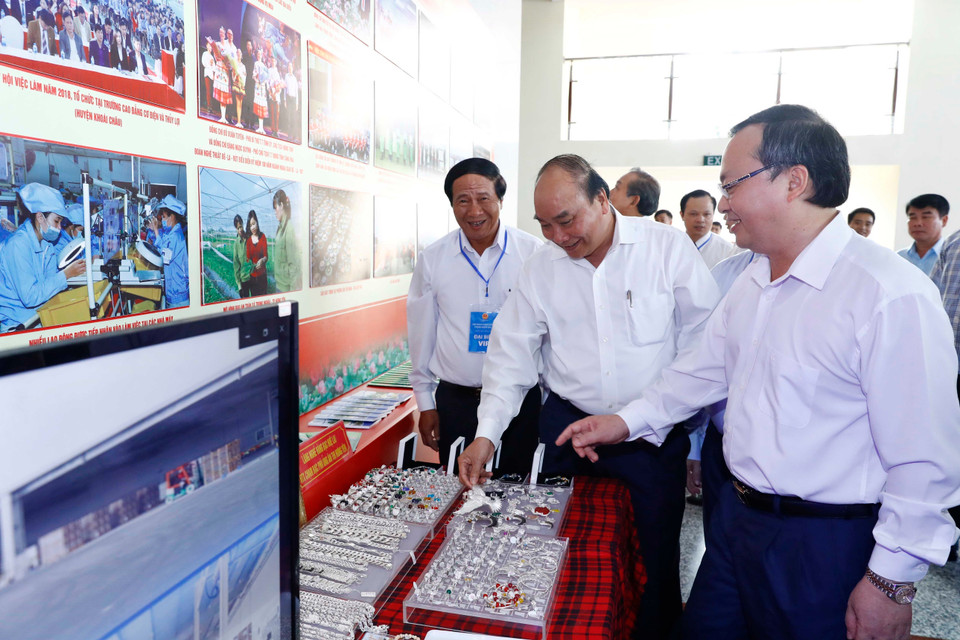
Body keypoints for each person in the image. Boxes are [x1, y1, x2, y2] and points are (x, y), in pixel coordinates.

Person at [556, 105, 960, 640]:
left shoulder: (888, 293)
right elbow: (698, 375)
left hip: (825, 545)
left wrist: (891, 581)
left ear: (794, 181)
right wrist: (622, 422)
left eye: (732, 185)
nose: (722, 204)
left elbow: (924, 460)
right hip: (736, 524)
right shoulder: (752, 282)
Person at [458, 154, 720, 638]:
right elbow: (510, 355)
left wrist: (638, 419)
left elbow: (704, 350)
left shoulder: (665, 249)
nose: (557, 236)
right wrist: (487, 434)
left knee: (654, 566)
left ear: (602, 200)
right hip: (570, 437)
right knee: (565, 559)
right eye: (545, 225)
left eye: (566, 220)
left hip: (650, 438)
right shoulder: (541, 268)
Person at [408, 158, 543, 473]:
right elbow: (421, 334)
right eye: (463, 201)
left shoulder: (533, 253)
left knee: (519, 488)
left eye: (483, 198)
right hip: (456, 402)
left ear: (500, 200)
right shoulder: (433, 259)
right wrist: (425, 403)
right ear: (452, 205)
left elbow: (548, 335)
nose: (474, 211)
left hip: (520, 403)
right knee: (460, 486)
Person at [0, 183, 86, 331]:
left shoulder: (47, 244)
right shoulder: (17, 245)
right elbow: (30, 297)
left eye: (61, 222)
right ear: (40, 217)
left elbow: (49, 283)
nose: (59, 227)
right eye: (56, 221)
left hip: (39, 316)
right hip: (18, 324)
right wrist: (65, 275)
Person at [931, 231, 960, 563]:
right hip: (947, 371)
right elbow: (933, 297)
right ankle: (946, 536)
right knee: (947, 454)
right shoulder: (954, 243)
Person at [680, 189, 739, 269]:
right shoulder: (671, 245)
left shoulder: (728, 251)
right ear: (682, 215)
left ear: (713, 215)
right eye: (693, 214)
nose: (700, 220)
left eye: (706, 214)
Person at [150, 195, 188, 308]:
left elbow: (164, 257)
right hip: (174, 292)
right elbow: (164, 246)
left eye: (164, 216)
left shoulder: (175, 236)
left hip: (178, 296)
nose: (162, 219)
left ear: (172, 217)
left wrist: (156, 231)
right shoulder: (172, 233)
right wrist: (156, 231)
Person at [898, 194, 949, 276]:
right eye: (912, 217)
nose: (918, 223)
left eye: (926, 217)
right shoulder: (898, 257)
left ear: (944, 220)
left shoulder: (952, 257)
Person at [272, 189, 300, 292]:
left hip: (285, 288)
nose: (275, 212)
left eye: (275, 208)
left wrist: (292, 292)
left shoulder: (289, 228)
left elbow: (293, 266)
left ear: (282, 205)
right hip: (279, 284)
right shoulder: (280, 228)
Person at [245, 209, 268, 296]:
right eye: (250, 225)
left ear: (257, 222)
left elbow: (266, 256)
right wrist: (250, 265)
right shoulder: (248, 241)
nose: (253, 227)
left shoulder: (263, 237)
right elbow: (247, 259)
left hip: (262, 276)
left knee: (264, 298)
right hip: (253, 277)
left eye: (254, 224)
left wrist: (263, 260)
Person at [232, 213, 251, 298]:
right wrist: (239, 286)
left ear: (243, 225)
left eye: (241, 227)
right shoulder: (236, 244)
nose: (240, 229)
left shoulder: (249, 238)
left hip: (253, 277)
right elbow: (236, 265)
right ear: (236, 228)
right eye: (238, 228)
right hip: (244, 279)